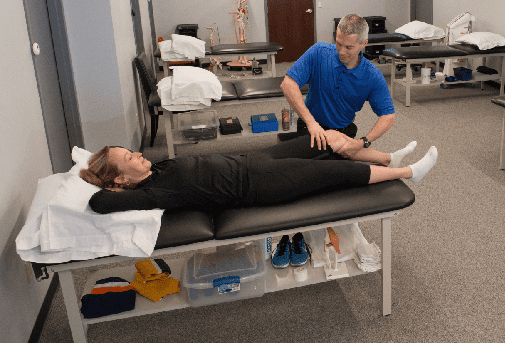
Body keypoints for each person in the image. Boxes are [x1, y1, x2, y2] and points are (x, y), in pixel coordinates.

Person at [80, 131, 437, 215]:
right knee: (337, 173)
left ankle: (388, 157)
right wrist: (102, 183)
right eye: (129, 157)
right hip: (259, 185)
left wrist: (109, 172)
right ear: (120, 180)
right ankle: (408, 172)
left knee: (323, 140)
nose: (138, 153)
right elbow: (98, 203)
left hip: (253, 160)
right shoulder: (149, 193)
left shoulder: (153, 171)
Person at [280, 14, 395, 158]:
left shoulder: (372, 76)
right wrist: (311, 122)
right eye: (338, 43)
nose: (341, 51)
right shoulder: (319, 52)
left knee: (339, 171)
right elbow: (287, 84)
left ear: (364, 44)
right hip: (310, 127)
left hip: (343, 131)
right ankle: (387, 159)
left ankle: (389, 160)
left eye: (349, 47)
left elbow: (388, 116)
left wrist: (363, 142)